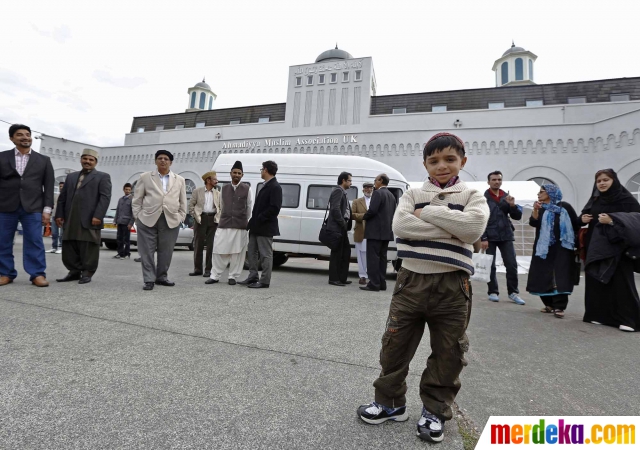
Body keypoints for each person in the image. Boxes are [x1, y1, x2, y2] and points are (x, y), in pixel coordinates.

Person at [357, 132, 489, 444]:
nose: (441, 166)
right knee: (394, 345)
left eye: (449, 159)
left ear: (462, 162)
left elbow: (473, 229)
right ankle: (390, 403)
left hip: (453, 286)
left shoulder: (473, 196)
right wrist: (451, 225)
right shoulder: (412, 193)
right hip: (410, 281)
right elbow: (401, 227)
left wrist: (427, 213)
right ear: (425, 164)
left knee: (449, 352)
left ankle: (434, 409)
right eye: (434, 161)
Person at [581, 169, 640, 332]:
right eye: (599, 181)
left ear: (614, 181)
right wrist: (582, 218)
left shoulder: (626, 199)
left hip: (619, 248)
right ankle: (598, 315)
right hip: (597, 247)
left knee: (621, 282)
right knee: (596, 280)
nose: (602, 183)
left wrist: (613, 220)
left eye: (606, 180)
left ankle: (628, 319)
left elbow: (636, 220)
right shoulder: (596, 199)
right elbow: (584, 214)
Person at [0, 124, 54, 287]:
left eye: (27, 134)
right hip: (5, 206)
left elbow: (49, 186)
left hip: (33, 207)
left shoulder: (43, 160)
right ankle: (5, 273)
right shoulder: (2, 157)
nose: (25, 137)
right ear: (12, 138)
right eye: (19, 134)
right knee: (2, 241)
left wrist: (47, 210)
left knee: (34, 241)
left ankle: (37, 274)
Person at [132, 150, 187, 291]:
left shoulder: (179, 179)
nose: (163, 161)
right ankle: (149, 279)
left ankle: (161, 276)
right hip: (147, 218)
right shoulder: (145, 177)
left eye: (166, 159)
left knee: (166, 251)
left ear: (171, 162)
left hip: (170, 219)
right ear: (155, 161)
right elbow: (137, 199)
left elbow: (183, 201)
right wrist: (138, 216)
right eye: (160, 158)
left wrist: (181, 216)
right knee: (147, 251)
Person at [55, 149, 112, 284]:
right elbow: (62, 198)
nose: (87, 161)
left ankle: (87, 272)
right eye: (85, 159)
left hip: (90, 217)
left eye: (91, 160)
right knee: (69, 244)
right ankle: (74, 271)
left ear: (95, 162)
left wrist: (98, 215)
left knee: (88, 245)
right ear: (81, 160)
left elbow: (105, 198)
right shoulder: (71, 177)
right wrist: (59, 214)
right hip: (70, 217)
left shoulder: (103, 176)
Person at [526, 184, 581, 318]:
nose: (539, 194)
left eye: (542, 192)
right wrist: (535, 210)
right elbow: (533, 223)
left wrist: (576, 245)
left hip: (562, 247)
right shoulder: (541, 208)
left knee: (560, 275)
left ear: (551, 193)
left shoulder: (564, 207)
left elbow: (575, 224)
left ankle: (560, 306)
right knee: (541, 274)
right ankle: (549, 304)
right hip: (543, 248)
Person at [481, 171, 525, 305]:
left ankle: (513, 292)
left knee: (511, 264)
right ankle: (493, 291)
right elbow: (480, 218)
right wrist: (483, 237)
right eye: (494, 179)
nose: (496, 182)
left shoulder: (507, 197)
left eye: (499, 179)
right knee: (491, 265)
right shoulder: (482, 199)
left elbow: (517, 216)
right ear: (488, 182)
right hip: (490, 236)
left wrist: (512, 206)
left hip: (506, 235)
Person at [206, 161, 252, 286]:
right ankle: (215, 275)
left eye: (239, 173)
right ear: (230, 174)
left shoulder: (247, 189)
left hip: (240, 225)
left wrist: (244, 220)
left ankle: (233, 276)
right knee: (218, 249)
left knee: (237, 252)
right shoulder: (224, 188)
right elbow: (221, 205)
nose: (236, 175)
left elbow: (249, 207)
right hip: (224, 223)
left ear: (242, 175)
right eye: (234, 172)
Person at [240, 160, 283, 289]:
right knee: (252, 252)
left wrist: (260, 217)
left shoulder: (275, 187)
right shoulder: (265, 185)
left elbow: (275, 208)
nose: (261, 171)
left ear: (266, 170)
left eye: (262, 169)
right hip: (256, 227)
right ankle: (253, 276)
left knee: (265, 254)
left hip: (265, 227)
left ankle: (265, 281)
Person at [360, 174, 397, 292]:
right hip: (386, 232)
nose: (374, 183)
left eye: (375, 180)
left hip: (375, 232)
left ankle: (374, 283)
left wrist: (363, 216)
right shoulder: (391, 195)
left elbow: (372, 211)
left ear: (381, 181)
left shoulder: (377, 193)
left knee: (373, 258)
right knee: (382, 259)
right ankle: (381, 283)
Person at [188, 171, 221, 277]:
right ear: (208, 180)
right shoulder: (197, 191)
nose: (217, 181)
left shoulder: (218, 193)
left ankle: (208, 270)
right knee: (198, 245)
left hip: (213, 220)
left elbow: (221, 207)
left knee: (211, 246)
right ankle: (197, 269)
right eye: (214, 179)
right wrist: (195, 215)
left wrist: (218, 218)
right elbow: (191, 205)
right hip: (200, 219)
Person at [327, 171, 353, 286]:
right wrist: (343, 223)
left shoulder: (343, 192)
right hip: (338, 227)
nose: (351, 183)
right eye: (349, 180)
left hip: (342, 226)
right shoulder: (338, 191)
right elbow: (335, 209)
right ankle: (334, 278)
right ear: (343, 181)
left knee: (345, 252)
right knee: (337, 253)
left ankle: (342, 277)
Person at [352, 182, 373, 285]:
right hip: (361, 230)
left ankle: (371, 275)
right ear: (363, 190)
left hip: (373, 232)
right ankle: (362, 276)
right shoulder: (356, 201)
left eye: (370, 188)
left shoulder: (376, 200)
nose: (368, 190)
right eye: (366, 188)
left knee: (371, 254)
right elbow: (353, 214)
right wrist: (365, 216)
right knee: (361, 255)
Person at [113, 183, 135, 260]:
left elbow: (133, 213)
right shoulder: (120, 199)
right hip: (120, 222)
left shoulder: (132, 200)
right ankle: (120, 253)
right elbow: (118, 210)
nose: (127, 191)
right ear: (123, 189)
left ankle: (126, 253)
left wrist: (130, 223)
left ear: (131, 190)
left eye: (129, 190)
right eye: (126, 189)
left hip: (127, 222)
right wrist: (115, 221)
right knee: (119, 239)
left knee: (126, 239)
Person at [49, 181, 65, 254]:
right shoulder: (55, 196)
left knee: (62, 233)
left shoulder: (66, 196)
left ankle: (61, 247)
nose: (61, 188)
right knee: (54, 233)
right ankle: (54, 247)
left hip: (63, 217)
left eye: (62, 186)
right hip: (54, 216)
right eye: (60, 186)